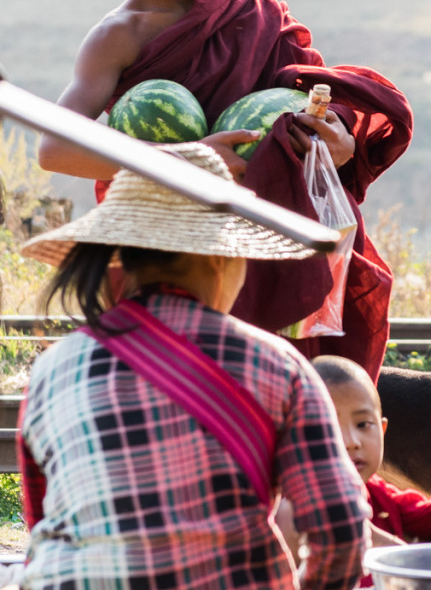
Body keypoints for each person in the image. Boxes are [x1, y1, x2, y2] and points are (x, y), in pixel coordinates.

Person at [36, 0, 413, 378]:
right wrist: (179, 158)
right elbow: (55, 149)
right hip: (164, 241)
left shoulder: (257, 16)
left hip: (257, 239)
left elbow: (310, 98)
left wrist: (341, 138)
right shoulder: (116, 38)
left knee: (270, 386)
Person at [17, 143, 369, 588]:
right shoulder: (279, 367)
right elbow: (341, 531)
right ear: (222, 259)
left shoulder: (50, 371)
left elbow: (42, 524)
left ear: (120, 260)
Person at [277, 354, 431, 569]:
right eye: (329, 426)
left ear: (382, 430)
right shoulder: (298, 512)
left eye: (363, 425)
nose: (351, 442)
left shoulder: (378, 495)